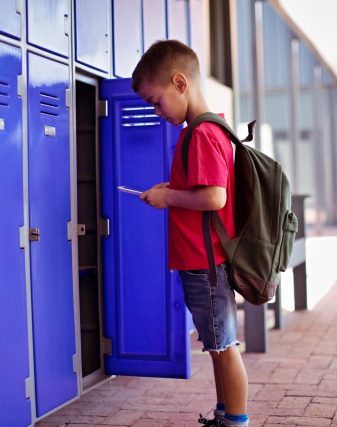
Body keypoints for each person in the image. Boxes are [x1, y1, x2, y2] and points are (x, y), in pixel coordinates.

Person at [132, 40, 249, 427]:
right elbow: (203, 190)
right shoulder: (205, 129)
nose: (156, 110)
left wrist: (168, 198)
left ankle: (236, 421)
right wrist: (172, 189)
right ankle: (224, 414)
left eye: (156, 100)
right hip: (202, 260)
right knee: (217, 346)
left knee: (224, 347)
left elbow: (215, 197)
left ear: (180, 83)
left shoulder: (200, 133)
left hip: (205, 261)